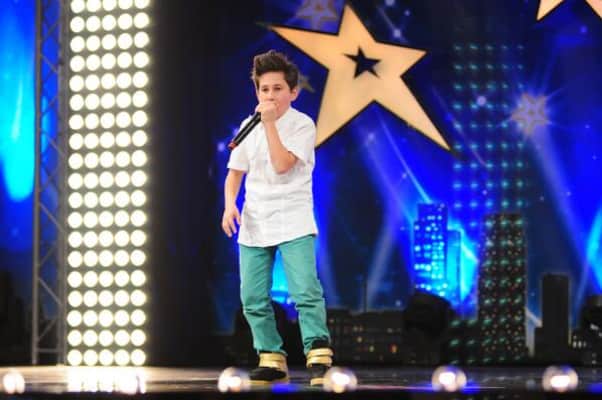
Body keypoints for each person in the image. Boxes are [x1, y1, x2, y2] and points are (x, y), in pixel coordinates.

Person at [222, 50, 332, 386]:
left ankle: (318, 354)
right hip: (255, 220)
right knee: (252, 297)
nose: (270, 95)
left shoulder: (302, 125)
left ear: (293, 92)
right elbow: (234, 173)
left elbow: (283, 164)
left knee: (305, 290)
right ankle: (270, 357)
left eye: (277, 89)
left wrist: (269, 123)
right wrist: (229, 205)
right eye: (264, 89)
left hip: (293, 218)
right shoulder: (247, 126)